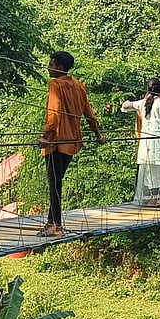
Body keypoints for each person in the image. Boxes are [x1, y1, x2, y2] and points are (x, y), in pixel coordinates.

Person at [39, 51, 105, 237]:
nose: (48, 68)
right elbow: (89, 115)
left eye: (51, 65)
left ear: (59, 68)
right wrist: (98, 135)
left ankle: (56, 226)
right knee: (57, 181)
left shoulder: (55, 84)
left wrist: (46, 135)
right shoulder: (79, 86)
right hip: (72, 141)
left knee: (54, 183)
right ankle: (51, 222)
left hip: (56, 141)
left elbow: (54, 113)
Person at [121, 78, 160, 207]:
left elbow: (125, 106)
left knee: (151, 171)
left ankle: (155, 198)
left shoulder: (143, 103)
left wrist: (129, 101)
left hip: (146, 143)